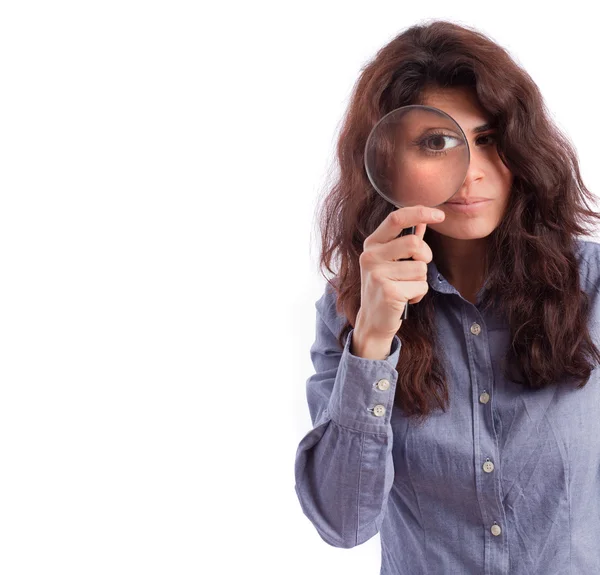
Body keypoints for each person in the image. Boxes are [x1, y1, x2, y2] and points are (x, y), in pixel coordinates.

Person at [293, 20, 600, 575]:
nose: (470, 175)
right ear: (385, 161)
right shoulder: (350, 309)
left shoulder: (592, 285)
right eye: (436, 143)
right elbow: (342, 523)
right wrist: (373, 340)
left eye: (488, 139)